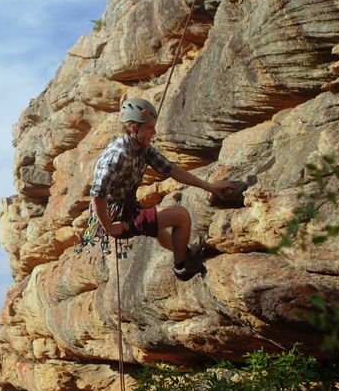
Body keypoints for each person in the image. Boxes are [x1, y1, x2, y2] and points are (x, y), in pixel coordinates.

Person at [87, 97, 235, 281]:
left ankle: (182, 251)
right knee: (181, 216)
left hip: (127, 207)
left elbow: (171, 169)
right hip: (115, 217)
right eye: (150, 128)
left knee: (158, 227)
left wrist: (209, 186)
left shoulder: (142, 148)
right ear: (134, 129)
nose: (154, 133)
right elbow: (97, 195)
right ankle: (182, 268)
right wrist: (110, 228)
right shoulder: (118, 156)